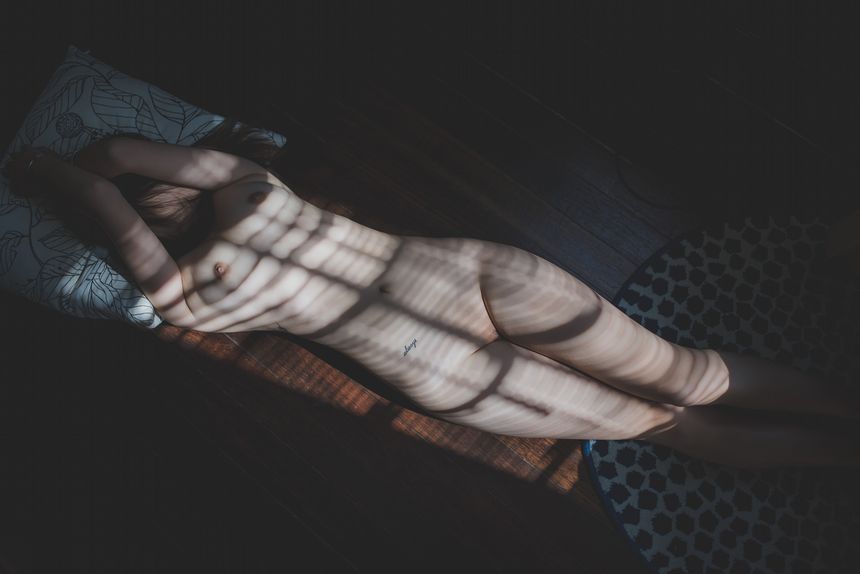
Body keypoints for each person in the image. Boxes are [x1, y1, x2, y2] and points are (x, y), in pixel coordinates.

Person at [4, 118, 859, 470]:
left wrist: (47, 178)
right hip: (471, 280)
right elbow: (113, 160)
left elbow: (107, 194)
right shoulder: (250, 190)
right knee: (685, 379)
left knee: (673, 418)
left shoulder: (191, 290)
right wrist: (56, 162)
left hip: (439, 354)